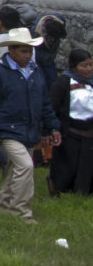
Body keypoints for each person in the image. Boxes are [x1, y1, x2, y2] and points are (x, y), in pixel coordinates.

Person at [0, 28, 61, 223]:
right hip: (5, 129)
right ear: (11, 50)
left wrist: (51, 127)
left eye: (29, 51)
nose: (27, 55)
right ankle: (21, 211)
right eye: (23, 51)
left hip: (29, 129)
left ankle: (3, 205)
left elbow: (44, 103)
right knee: (26, 166)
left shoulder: (36, 72)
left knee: (15, 168)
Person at [48, 49, 93, 195]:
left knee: (87, 164)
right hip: (71, 131)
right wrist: (52, 128)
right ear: (73, 66)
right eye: (84, 65)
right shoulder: (63, 82)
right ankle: (60, 189)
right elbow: (53, 106)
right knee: (68, 164)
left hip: (89, 129)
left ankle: (84, 190)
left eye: (91, 65)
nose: (88, 69)